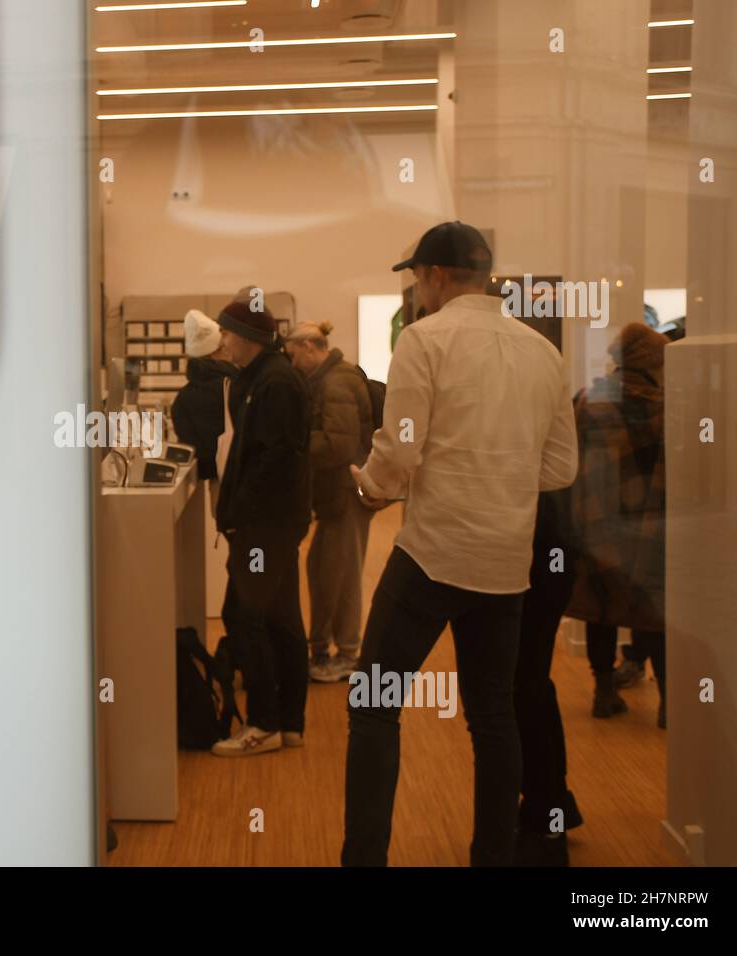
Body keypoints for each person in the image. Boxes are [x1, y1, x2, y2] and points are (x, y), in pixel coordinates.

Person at [342, 221, 579, 866]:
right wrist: (500, 473)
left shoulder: (423, 340)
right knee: (493, 717)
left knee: (374, 704)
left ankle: (363, 861)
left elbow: (401, 451)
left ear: (437, 276)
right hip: (506, 563)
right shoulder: (544, 352)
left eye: (417, 278)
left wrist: (371, 486)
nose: (417, 292)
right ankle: (493, 858)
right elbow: (560, 469)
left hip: (432, 556)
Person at [210, 299, 311, 756]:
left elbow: (276, 459)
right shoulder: (258, 378)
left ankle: (265, 723)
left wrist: (241, 513)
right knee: (280, 618)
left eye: (226, 331)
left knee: (245, 617)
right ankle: (289, 723)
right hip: (267, 524)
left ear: (246, 337)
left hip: (265, 528)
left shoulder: (275, 382)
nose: (222, 339)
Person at [566, 323, 668, 727]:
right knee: (656, 611)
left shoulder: (591, 400)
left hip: (599, 520)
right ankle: (668, 702)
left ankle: (604, 691)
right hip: (653, 523)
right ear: (652, 363)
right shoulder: (668, 405)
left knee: (600, 608)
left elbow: (570, 460)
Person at [283, 321, 375, 684]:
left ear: (309, 346)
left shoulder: (336, 382)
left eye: (293, 355)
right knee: (325, 570)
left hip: (346, 492)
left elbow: (338, 444)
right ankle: (325, 649)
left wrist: (294, 445)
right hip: (339, 493)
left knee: (342, 575)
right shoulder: (330, 378)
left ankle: (348, 654)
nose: (291, 363)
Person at [514, 489, 585, 866]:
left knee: (525, 691)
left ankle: (547, 822)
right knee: (532, 687)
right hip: (545, 553)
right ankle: (553, 807)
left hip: (540, 557)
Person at [170, 310, 238, 497]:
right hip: (246, 481)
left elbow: (191, 449)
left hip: (216, 484)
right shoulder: (239, 385)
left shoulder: (182, 399)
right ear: (219, 351)